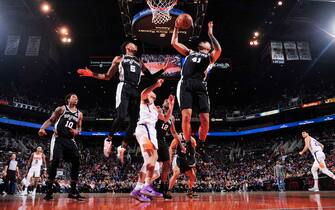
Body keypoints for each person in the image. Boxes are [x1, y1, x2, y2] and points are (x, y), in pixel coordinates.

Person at [77, 41, 168, 158]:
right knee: (121, 116)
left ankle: (123, 146)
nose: (135, 45)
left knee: (134, 121)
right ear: (127, 47)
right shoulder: (119, 58)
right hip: (123, 87)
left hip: (135, 90)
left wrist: (163, 70)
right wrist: (91, 74)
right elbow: (107, 76)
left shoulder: (139, 61)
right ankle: (109, 139)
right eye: (133, 44)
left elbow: (151, 76)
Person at [171, 21, 222, 160]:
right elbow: (174, 42)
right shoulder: (189, 52)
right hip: (185, 83)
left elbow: (219, 50)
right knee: (186, 116)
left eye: (208, 43)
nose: (206, 43)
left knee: (205, 119)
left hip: (200, 84)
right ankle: (188, 146)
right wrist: (176, 27)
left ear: (209, 47)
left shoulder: (210, 57)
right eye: (205, 41)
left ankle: (200, 145)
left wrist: (211, 34)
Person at [130, 79, 174, 202]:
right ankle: (147, 186)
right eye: (152, 92)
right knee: (153, 158)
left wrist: (171, 106)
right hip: (145, 130)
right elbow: (143, 92)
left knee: (149, 164)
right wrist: (155, 85)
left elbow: (165, 119)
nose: (153, 93)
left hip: (151, 133)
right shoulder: (146, 100)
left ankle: (137, 190)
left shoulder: (155, 108)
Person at [38, 93, 84, 200]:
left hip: (70, 140)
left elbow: (80, 128)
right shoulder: (61, 109)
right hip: (58, 138)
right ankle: (49, 191)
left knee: (77, 160)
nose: (76, 98)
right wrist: (42, 128)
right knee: (55, 160)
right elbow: (51, 120)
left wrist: (76, 131)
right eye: (74, 97)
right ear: (68, 99)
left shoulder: (80, 114)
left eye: (77, 97)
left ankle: (72, 191)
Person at [155, 97, 179, 199]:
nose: (168, 102)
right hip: (154, 138)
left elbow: (173, 132)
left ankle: (163, 187)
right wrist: (170, 105)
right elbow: (164, 117)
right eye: (166, 100)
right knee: (152, 165)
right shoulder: (158, 110)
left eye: (169, 101)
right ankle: (146, 186)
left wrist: (181, 145)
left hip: (162, 140)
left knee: (167, 164)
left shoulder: (172, 118)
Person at [168, 134, 197, 198]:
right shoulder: (178, 138)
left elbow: (193, 153)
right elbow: (171, 147)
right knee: (176, 173)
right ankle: (169, 191)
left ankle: (190, 191)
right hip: (178, 157)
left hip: (186, 158)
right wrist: (170, 158)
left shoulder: (192, 140)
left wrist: (192, 162)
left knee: (193, 176)